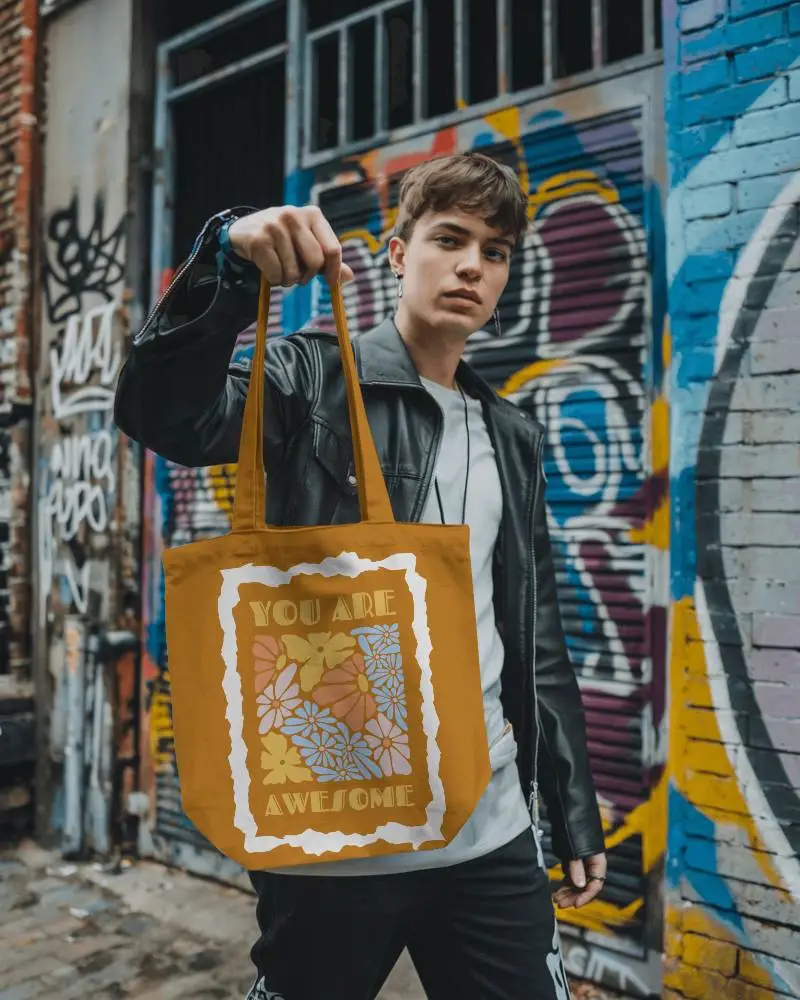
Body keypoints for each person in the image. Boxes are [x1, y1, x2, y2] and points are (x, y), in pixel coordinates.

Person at [115, 151, 607, 1000]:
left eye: (494, 252)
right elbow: (164, 413)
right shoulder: (310, 377)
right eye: (449, 239)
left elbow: (533, 636)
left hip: (489, 831)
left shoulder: (511, 436)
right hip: (333, 839)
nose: (471, 266)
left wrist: (570, 806)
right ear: (397, 253)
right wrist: (228, 267)